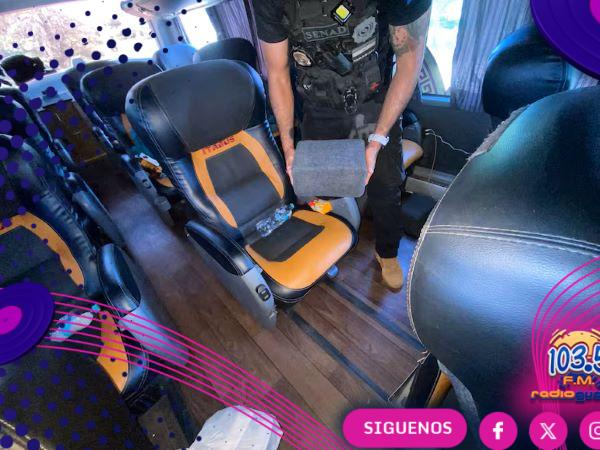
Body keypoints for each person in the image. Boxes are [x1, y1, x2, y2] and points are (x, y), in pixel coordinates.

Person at [254, 0, 431, 291]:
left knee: (386, 186)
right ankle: (332, 238)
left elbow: (409, 62)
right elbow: (277, 72)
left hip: (374, 105)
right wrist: (288, 146)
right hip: (318, 105)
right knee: (318, 184)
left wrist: (378, 139)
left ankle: (386, 253)